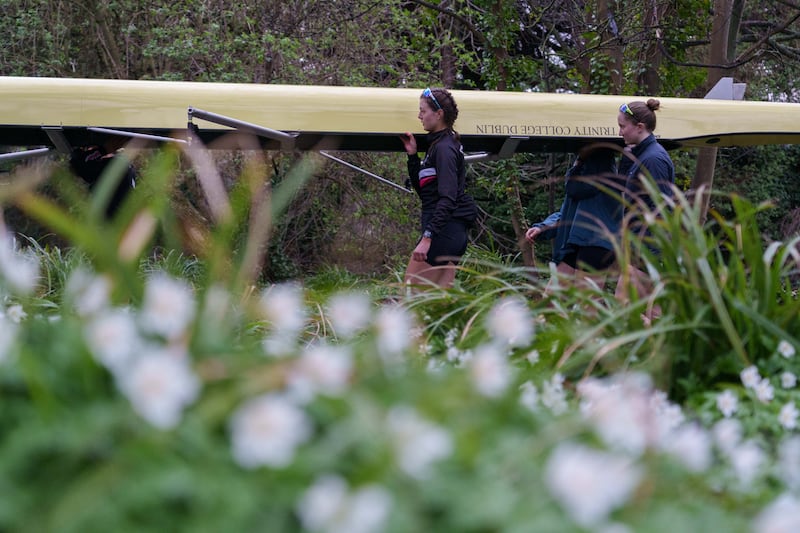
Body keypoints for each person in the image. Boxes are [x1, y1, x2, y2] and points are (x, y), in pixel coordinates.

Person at [400, 87, 477, 290]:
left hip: (443, 232)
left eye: (423, 111)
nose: (419, 116)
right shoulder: (439, 145)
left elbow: (448, 198)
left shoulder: (444, 148)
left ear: (439, 114)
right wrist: (412, 156)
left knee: (410, 299)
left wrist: (428, 237)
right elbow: (426, 192)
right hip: (450, 234)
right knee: (438, 310)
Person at [525, 146, 622, 292]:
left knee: (587, 304)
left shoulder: (601, 175)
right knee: (552, 299)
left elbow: (576, 190)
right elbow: (568, 214)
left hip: (597, 244)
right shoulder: (581, 174)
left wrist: (578, 165)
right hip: (576, 244)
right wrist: (543, 227)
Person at [614, 99, 676, 321]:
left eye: (623, 126)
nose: (619, 131)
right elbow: (622, 187)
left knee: (623, 306)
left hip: (648, 248)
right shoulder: (642, 155)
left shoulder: (654, 159)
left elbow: (659, 208)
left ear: (639, 127)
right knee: (652, 310)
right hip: (641, 247)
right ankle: (660, 352)